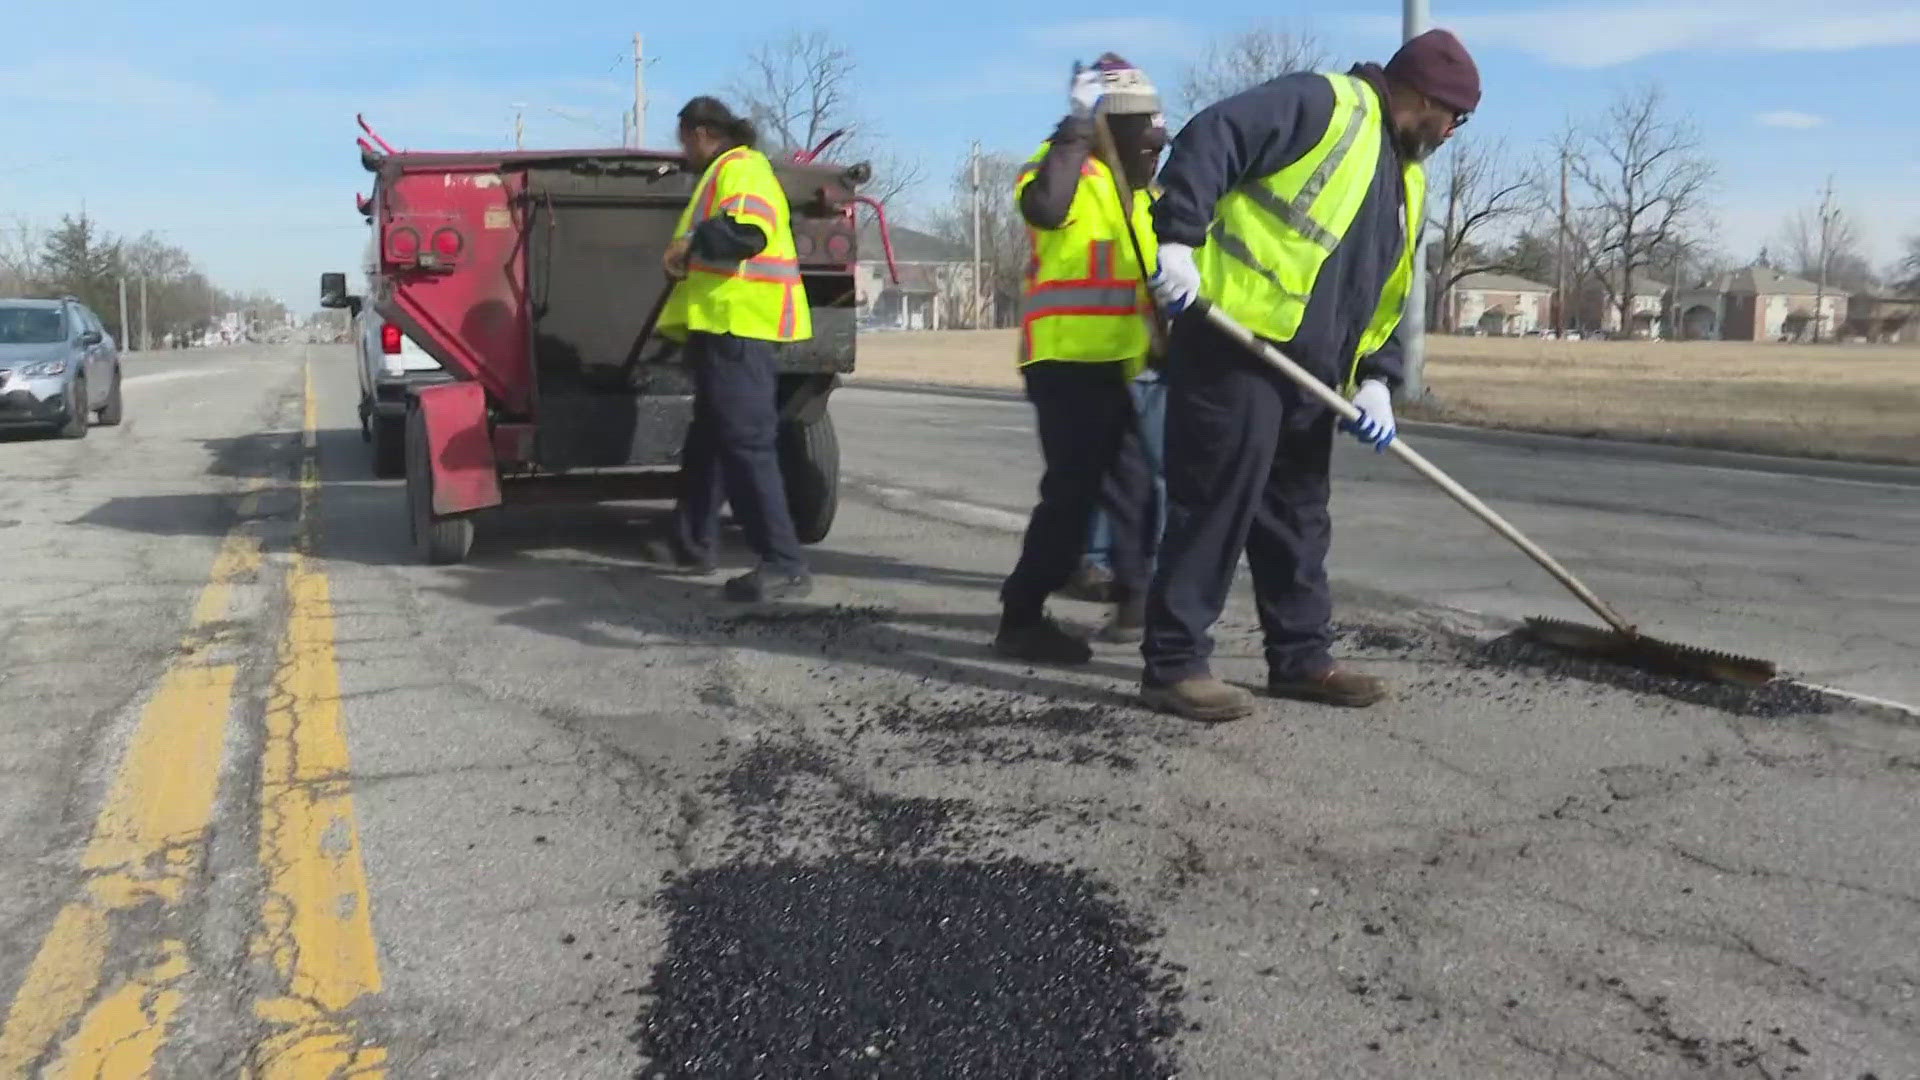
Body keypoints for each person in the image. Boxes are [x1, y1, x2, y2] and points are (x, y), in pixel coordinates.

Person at [1139, 29, 1481, 721]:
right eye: (1453, 116)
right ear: (1420, 95)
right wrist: (1178, 237)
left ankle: (1300, 657)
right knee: (1214, 507)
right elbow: (1212, 136)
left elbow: (1383, 295)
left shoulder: (1406, 179)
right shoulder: (1324, 104)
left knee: (1296, 517)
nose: (1451, 132)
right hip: (1236, 345)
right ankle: (1173, 665)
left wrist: (1379, 379)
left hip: (1310, 375)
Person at [994, 54, 1168, 663]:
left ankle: (1138, 600)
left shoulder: (1138, 200)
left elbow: (1147, 285)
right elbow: (1044, 208)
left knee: (1134, 489)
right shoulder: (1056, 171)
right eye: (1145, 127)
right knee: (1073, 495)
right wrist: (1075, 123)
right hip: (1064, 363)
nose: (1158, 139)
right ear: (1110, 126)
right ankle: (1020, 615)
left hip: (1116, 367)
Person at [653, 95, 814, 603]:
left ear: (702, 133)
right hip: (722, 328)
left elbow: (747, 233)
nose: (681, 151)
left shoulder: (740, 167)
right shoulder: (722, 173)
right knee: (710, 439)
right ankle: (692, 541)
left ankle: (785, 564)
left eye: (682, 140)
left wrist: (690, 243)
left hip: (739, 327)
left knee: (747, 443)